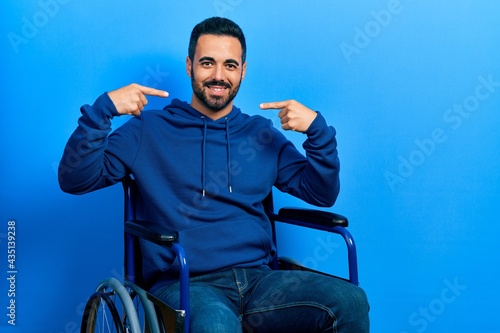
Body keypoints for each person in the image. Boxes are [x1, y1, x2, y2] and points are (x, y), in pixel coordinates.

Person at [59, 16, 369, 332]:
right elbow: (75, 179)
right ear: (189, 65)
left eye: (230, 65)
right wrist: (103, 110)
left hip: (260, 281)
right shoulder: (148, 131)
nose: (218, 76)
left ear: (243, 71)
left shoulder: (260, 134)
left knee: (350, 301)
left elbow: (321, 193)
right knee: (216, 323)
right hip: (185, 282)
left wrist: (317, 131)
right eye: (208, 63)